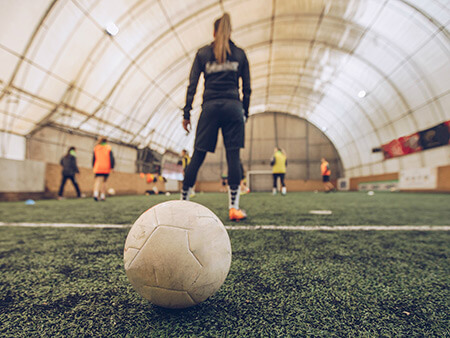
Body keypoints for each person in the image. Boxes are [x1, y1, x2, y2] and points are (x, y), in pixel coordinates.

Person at [180, 13, 251, 221]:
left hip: (210, 108)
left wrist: (186, 113)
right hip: (233, 108)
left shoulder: (203, 53)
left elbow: (192, 86)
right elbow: (247, 89)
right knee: (233, 157)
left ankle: (183, 205)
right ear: (230, 32)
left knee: (198, 155)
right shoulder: (240, 54)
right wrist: (244, 112)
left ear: (213, 32)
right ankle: (233, 208)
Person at [92, 137, 115, 201]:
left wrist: (93, 166)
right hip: (106, 167)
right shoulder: (108, 147)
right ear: (106, 141)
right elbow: (111, 158)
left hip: (98, 166)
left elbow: (94, 158)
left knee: (97, 181)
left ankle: (95, 194)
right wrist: (112, 167)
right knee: (104, 181)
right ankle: (102, 196)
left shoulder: (96, 147)